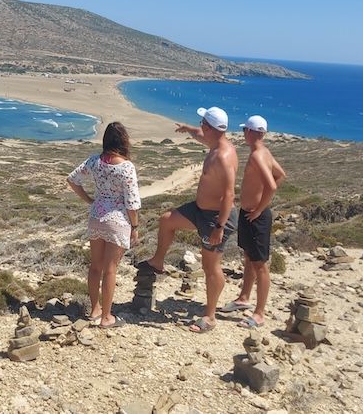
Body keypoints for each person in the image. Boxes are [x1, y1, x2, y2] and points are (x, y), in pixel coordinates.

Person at [137, 107, 238, 333]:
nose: (200, 125)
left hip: (216, 218)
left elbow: (229, 194)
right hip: (199, 210)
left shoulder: (223, 156)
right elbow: (199, 134)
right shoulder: (214, 143)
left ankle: (210, 317)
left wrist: (219, 227)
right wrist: (187, 129)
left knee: (210, 266)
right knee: (167, 220)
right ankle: (158, 261)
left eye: (202, 122)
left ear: (209, 126)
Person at [67, 122, 141, 328]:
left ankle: (95, 310)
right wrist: (135, 227)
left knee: (95, 266)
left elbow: (72, 179)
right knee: (110, 269)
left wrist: (88, 199)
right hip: (118, 221)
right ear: (124, 141)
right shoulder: (126, 167)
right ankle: (107, 317)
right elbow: (132, 203)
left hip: (96, 217)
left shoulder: (95, 161)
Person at [220, 115, 286, 328]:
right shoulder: (264, 152)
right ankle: (244, 298)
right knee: (249, 257)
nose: (243, 134)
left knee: (260, 265)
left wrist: (259, 208)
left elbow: (273, 185)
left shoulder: (258, 155)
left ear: (250, 132)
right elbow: (280, 175)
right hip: (249, 214)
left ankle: (259, 314)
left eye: (244, 130)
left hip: (256, 216)